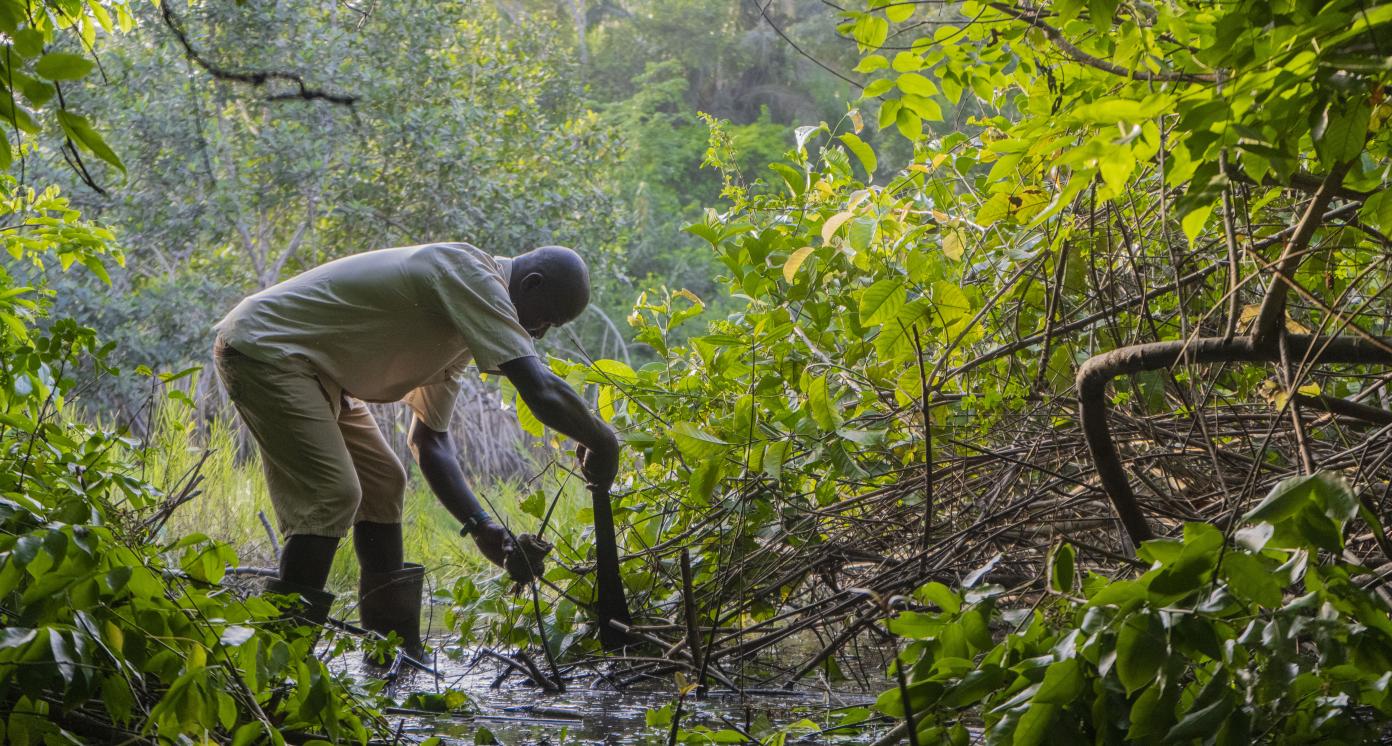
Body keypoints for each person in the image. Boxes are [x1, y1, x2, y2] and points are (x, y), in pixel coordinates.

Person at [211, 242, 619, 659]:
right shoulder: (469, 273)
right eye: (546, 319)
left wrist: (483, 529)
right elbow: (541, 388)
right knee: (333, 495)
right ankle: (277, 668)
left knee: (384, 483)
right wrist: (602, 440)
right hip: (267, 348)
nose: (540, 332)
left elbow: (429, 441)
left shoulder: (459, 324)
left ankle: (394, 654)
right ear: (531, 284)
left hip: (315, 372)